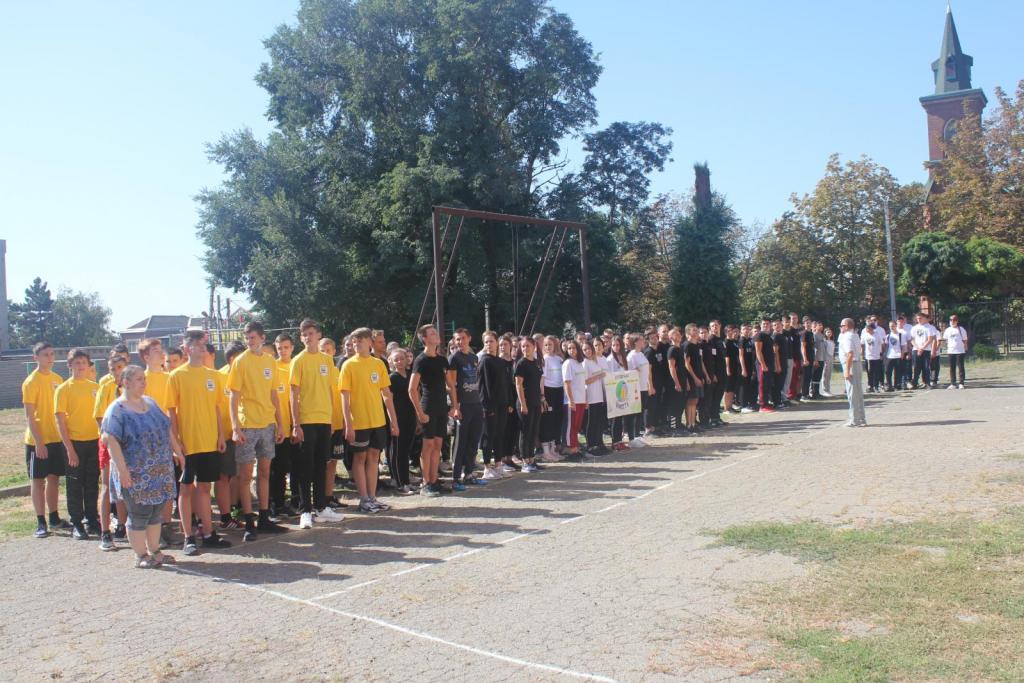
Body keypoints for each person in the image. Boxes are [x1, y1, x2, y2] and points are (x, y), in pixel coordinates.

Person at [101, 365, 183, 568]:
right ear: (126, 382)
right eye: (139, 379)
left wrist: (177, 451)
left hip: (159, 471)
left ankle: (155, 551)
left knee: (155, 513)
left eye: (144, 379)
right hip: (135, 473)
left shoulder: (151, 403)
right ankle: (141, 556)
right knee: (139, 514)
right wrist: (123, 471)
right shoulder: (117, 410)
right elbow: (111, 440)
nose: (143, 382)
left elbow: (167, 428)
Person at [167, 331, 233, 555]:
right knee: (186, 489)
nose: (202, 348)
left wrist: (220, 436)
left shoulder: (213, 375)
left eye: (203, 344)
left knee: (205, 487)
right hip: (188, 443)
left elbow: (216, 408)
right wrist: (177, 443)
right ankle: (189, 537)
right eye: (196, 344)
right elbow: (171, 411)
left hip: (209, 441)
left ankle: (208, 534)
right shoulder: (176, 375)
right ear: (187, 349)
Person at [228, 321, 288, 541]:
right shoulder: (240, 361)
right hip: (248, 425)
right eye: (247, 338)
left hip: (267, 424)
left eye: (253, 337)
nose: (249, 341)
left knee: (264, 472)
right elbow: (233, 396)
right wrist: (235, 427)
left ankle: (264, 518)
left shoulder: (270, 361)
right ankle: (249, 522)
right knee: (245, 476)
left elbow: (274, 395)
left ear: (262, 338)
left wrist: (280, 424)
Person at [341, 327, 400, 512]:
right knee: (360, 457)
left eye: (360, 341)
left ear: (369, 342)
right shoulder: (348, 365)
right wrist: (348, 424)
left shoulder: (378, 364)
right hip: (359, 421)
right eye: (354, 342)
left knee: (374, 457)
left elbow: (386, 395)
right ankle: (364, 499)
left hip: (378, 420)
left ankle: (372, 498)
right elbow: (344, 397)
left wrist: (393, 421)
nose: (356, 345)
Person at [289, 319, 341, 529]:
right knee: (306, 467)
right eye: (304, 334)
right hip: (306, 420)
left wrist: (332, 419)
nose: (308, 337)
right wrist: (296, 424)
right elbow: (293, 394)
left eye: (311, 333)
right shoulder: (298, 361)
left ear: (319, 335)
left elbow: (330, 390)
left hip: (324, 419)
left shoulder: (327, 360)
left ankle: (321, 507)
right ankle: (305, 511)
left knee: (321, 464)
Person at [23, 342, 71, 539]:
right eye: (45, 355)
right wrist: (39, 442)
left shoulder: (58, 379)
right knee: (38, 481)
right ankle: (40, 522)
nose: (50, 358)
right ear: (36, 358)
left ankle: (54, 517)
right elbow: (29, 416)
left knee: (54, 478)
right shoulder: (30, 382)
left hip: (56, 438)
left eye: (52, 354)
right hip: (37, 441)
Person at [54, 348, 101, 540]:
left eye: (84, 362)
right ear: (70, 365)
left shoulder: (95, 387)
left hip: (94, 442)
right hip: (74, 443)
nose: (81, 366)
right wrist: (69, 449)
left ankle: (92, 519)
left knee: (92, 483)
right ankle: (77, 522)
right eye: (77, 363)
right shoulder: (63, 389)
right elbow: (60, 421)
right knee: (74, 485)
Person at [409, 325, 458, 496]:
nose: (436, 335)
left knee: (437, 444)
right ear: (424, 338)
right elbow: (412, 389)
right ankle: (425, 483)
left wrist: (455, 406)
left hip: (441, 408)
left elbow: (450, 385)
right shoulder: (420, 360)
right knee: (428, 445)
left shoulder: (442, 360)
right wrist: (420, 414)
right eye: (432, 333)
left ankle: (434, 480)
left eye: (436, 332)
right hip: (428, 407)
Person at [94, 352, 129, 549]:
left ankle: (123, 526)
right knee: (107, 486)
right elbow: (99, 417)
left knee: (125, 485)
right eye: (112, 369)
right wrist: (109, 440)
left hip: (128, 444)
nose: (116, 372)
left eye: (120, 368)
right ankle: (105, 532)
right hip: (109, 443)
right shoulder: (105, 388)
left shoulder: (132, 388)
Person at [448, 329, 487, 489]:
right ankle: (456, 478)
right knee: (461, 442)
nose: (460, 342)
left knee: (473, 440)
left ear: (469, 338)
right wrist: (455, 406)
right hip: (462, 404)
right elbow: (451, 385)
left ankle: (469, 474)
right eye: (457, 339)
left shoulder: (473, 357)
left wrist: (480, 404)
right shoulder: (454, 358)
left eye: (463, 338)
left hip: (475, 403)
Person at [271, 333, 298, 517]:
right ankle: (277, 503)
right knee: (278, 469)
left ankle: (297, 500)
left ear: (292, 348)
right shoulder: (272, 368)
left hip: (296, 425)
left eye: (286, 347)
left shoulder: (297, 365)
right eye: (279, 348)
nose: (283, 351)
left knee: (297, 466)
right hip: (279, 427)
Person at [387, 348, 419, 493]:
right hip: (398, 417)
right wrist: (392, 422)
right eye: (396, 360)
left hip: (410, 416)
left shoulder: (410, 376)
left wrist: (418, 417)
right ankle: (400, 483)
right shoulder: (392, 378)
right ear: (392, 362)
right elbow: (389, 400)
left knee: (406, 451)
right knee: (398, 451)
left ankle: (406, 481)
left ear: (407, 360)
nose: (399, 362)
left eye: (402, 358)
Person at [513, 336, 543, 472]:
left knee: (533, 431)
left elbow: (538, 383)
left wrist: (542, 399)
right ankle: (525, 461)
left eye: (528, 346)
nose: (525, 349)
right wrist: (523, 404)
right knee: (525, 432)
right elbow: (518, 385)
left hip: (536, 401)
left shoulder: (536, 362)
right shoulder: (521, 363)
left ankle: (531, 459)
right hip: (525, 402)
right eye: (523, 346)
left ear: (534, 347)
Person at [838, 318, 867, 427]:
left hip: (851, 364)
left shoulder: (847, 336)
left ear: (846, 326)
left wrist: (847, 370)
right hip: (857, 363)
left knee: (852, 393)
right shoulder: (855, 335)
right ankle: (861, 418)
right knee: (858, 392)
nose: (840, 327)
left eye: (842, 325)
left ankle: (854, 419)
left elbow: (850, 354)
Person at [561, 340, 587, 456]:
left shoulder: (579, 363)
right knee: (570, 426)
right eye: (569, 348)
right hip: (572, 400)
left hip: (581, 399)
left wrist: (585, 399)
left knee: (577, 425)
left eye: (574, 348)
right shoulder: (568, 363)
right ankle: (570, 449)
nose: (572, 350)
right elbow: (567, 383)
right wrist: (571, 400)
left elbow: (582, 383)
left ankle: (575, 447)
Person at [626, 332, 653, 445]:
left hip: (643, 387)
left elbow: (646, 371)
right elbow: (629, 372)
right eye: (641, 340)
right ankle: (632, 437)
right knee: (635, 413)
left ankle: (637, 435)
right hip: (635, 388)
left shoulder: (641, 354)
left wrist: (649, 385)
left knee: (640, 412)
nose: (643, 341)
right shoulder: (631, 356)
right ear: (636, 342)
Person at [584, 339, 609, 454]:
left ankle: (599, 443)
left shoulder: (595, 361)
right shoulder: (585, 363)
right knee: (591, 422)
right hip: (591, 397)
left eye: (589, 349)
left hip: (599, 396)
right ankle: (591, 445)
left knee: (599, 421)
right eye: (584, 349)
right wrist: (598, 376)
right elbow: (585, 381)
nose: (587, 351)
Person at [681, 324, 705, 434]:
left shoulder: (698, 345)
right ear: (688, 333)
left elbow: (700, 362)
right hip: (691, 377)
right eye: (693, 330)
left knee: (695, 401)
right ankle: (689, 424)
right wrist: (694, 378)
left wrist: (703, 376)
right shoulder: (687, 345)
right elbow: (687, 364)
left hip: (699, 376)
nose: (696, 332)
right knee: (690, 401)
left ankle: (693, 423)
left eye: (696, 330)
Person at [138, 338, 170, 415]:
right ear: (146, 357)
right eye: (156, 351)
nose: (162, 353)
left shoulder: (171, 377)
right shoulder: (140, 380)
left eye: (161, 349)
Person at [755, 318, 777, 413]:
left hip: (769, 363)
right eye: (764, 324)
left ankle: (766, 403)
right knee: (762, 384)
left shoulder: (769, 336)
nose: (765, 325)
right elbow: (758, 351)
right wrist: (763, 364)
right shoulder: (759, 335)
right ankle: (762, 405)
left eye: (767, 323)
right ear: (761, 325)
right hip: (762, 364)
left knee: (767, 384)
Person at [910, 313, 936, 389]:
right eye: (917, 318)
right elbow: (912, 339)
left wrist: (922, 348)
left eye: (920, 318)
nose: (919, 320)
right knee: (916, 367)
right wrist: (918, 348)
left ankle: (927, 383)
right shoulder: (914, 328)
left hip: (926, 350)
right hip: (916, 349)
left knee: (926, 367)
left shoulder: (929, 327)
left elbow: (930, 339)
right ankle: (914, 383)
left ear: (924, 318)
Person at [860, 315, 885, 393]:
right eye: (866, 328)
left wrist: (881, 353)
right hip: (868, 357)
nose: (867, 330)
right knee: (869, 372)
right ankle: (870, 386)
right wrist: (862, 354)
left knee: (876, 372)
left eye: (868, 328)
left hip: (876, 356)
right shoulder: (865, 334)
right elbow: (862, 344)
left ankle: (876, 386)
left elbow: (881, 344)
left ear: (872, 328)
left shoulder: (877, 334)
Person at [943, 315, 968, 389]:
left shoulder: (961, 329)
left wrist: (965, 347)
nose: (952, 322)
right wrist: (947, 347)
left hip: (960, 351)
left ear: (957, 321)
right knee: (952, 367)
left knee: (961, 367)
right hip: (951, 351)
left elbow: (965, 339)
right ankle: (953, 383)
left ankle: (961, 383)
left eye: (954, 320)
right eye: (951, 320)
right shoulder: (947, 330)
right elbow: (945, 339)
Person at [884, 320, 904, 392]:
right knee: (887, 371)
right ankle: (889, 385)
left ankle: (897, 385)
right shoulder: (888, 336)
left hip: (898, 356)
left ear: (896, 326)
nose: (891, 327)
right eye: (890, 326)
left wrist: (902, 354)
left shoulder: (900, 335)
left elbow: (903, 346)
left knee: (897, 372)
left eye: (892, 326)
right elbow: (886, 345)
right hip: (889, 356)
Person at [800, 315, 816, 399]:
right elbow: (803, 346)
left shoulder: (811, 333)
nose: (808, 324)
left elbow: (812, 347)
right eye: (806, 323)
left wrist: (814, 359)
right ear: (804, 324)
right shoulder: (804, 333)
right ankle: (803, 394)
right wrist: (805, 359)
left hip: (811, 357)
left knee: (809, 376)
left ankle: (806, 394)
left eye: (809, 322)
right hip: (806, 358)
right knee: (805, 376)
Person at [821, 327, 836, 397]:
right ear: (825, 333)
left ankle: (828, 389)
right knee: (825, 375)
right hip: (826, 359)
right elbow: (823, 351)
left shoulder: (832, 341)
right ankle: (825, 390)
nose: (829, 333)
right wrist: (825, 360)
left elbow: (832, 351)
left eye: (830, 332)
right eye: (828, 332)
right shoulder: (824, 341)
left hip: (831, 359)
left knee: (829, 375)